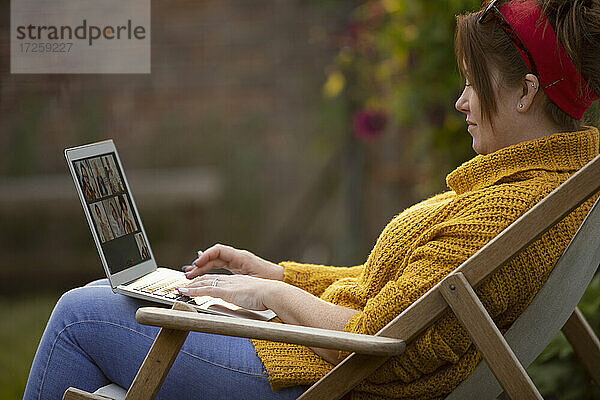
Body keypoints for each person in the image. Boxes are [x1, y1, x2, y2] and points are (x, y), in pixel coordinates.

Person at [24, 1, 600, 399]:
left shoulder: (504, 211)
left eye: (474, 82)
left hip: (326, 383)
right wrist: (279, 273)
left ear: (526, 92)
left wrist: (266, 293)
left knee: (77, 317)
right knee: (112, 292)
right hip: (326, 362)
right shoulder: (540, 191)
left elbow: (379, 337)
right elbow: (391, 299)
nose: (460, 101)